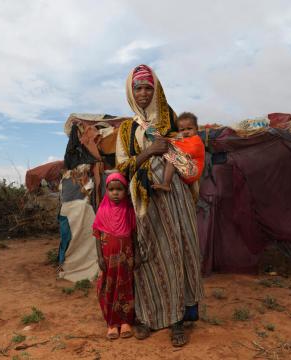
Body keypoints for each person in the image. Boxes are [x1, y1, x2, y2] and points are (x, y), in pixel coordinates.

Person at [115, 64, 204, 347]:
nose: (143, 93)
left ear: (156, 90)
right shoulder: (127, 128)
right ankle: (149, 316)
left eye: (148, 88)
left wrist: (169, 150)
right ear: (131, 91)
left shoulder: (171, 120)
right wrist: (149, 152)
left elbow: (188, 161)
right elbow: (121, 167)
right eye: (138, 88)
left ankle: (178, 319)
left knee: (176, 253)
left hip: (173, 197)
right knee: (148, 254)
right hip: (144, 199)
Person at [93, 172, 138, 340]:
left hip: (126, 259)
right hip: (107, 260)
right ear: (106, 191)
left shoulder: (129, 210)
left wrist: (138, 254)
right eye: (111, 189)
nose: (115, 193)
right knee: (108, 289)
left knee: (126, 288)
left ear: (125, 191)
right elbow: (97, 235)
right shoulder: (102, 210)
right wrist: (99, 257)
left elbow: (133, 235)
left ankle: (125, 321)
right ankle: (111, 323)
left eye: (119, 189)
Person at [151, 112, 205, 192]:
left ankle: (166, 184)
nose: (186, 132)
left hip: (192, 172)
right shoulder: (184, 139)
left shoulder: (196, 140)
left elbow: (188, 150)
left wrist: (167, 141)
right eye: (182, 130)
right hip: (186, 171)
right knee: (170, 155)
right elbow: (175, 142)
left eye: (189, 128)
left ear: (196, 129)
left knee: (172, 156)